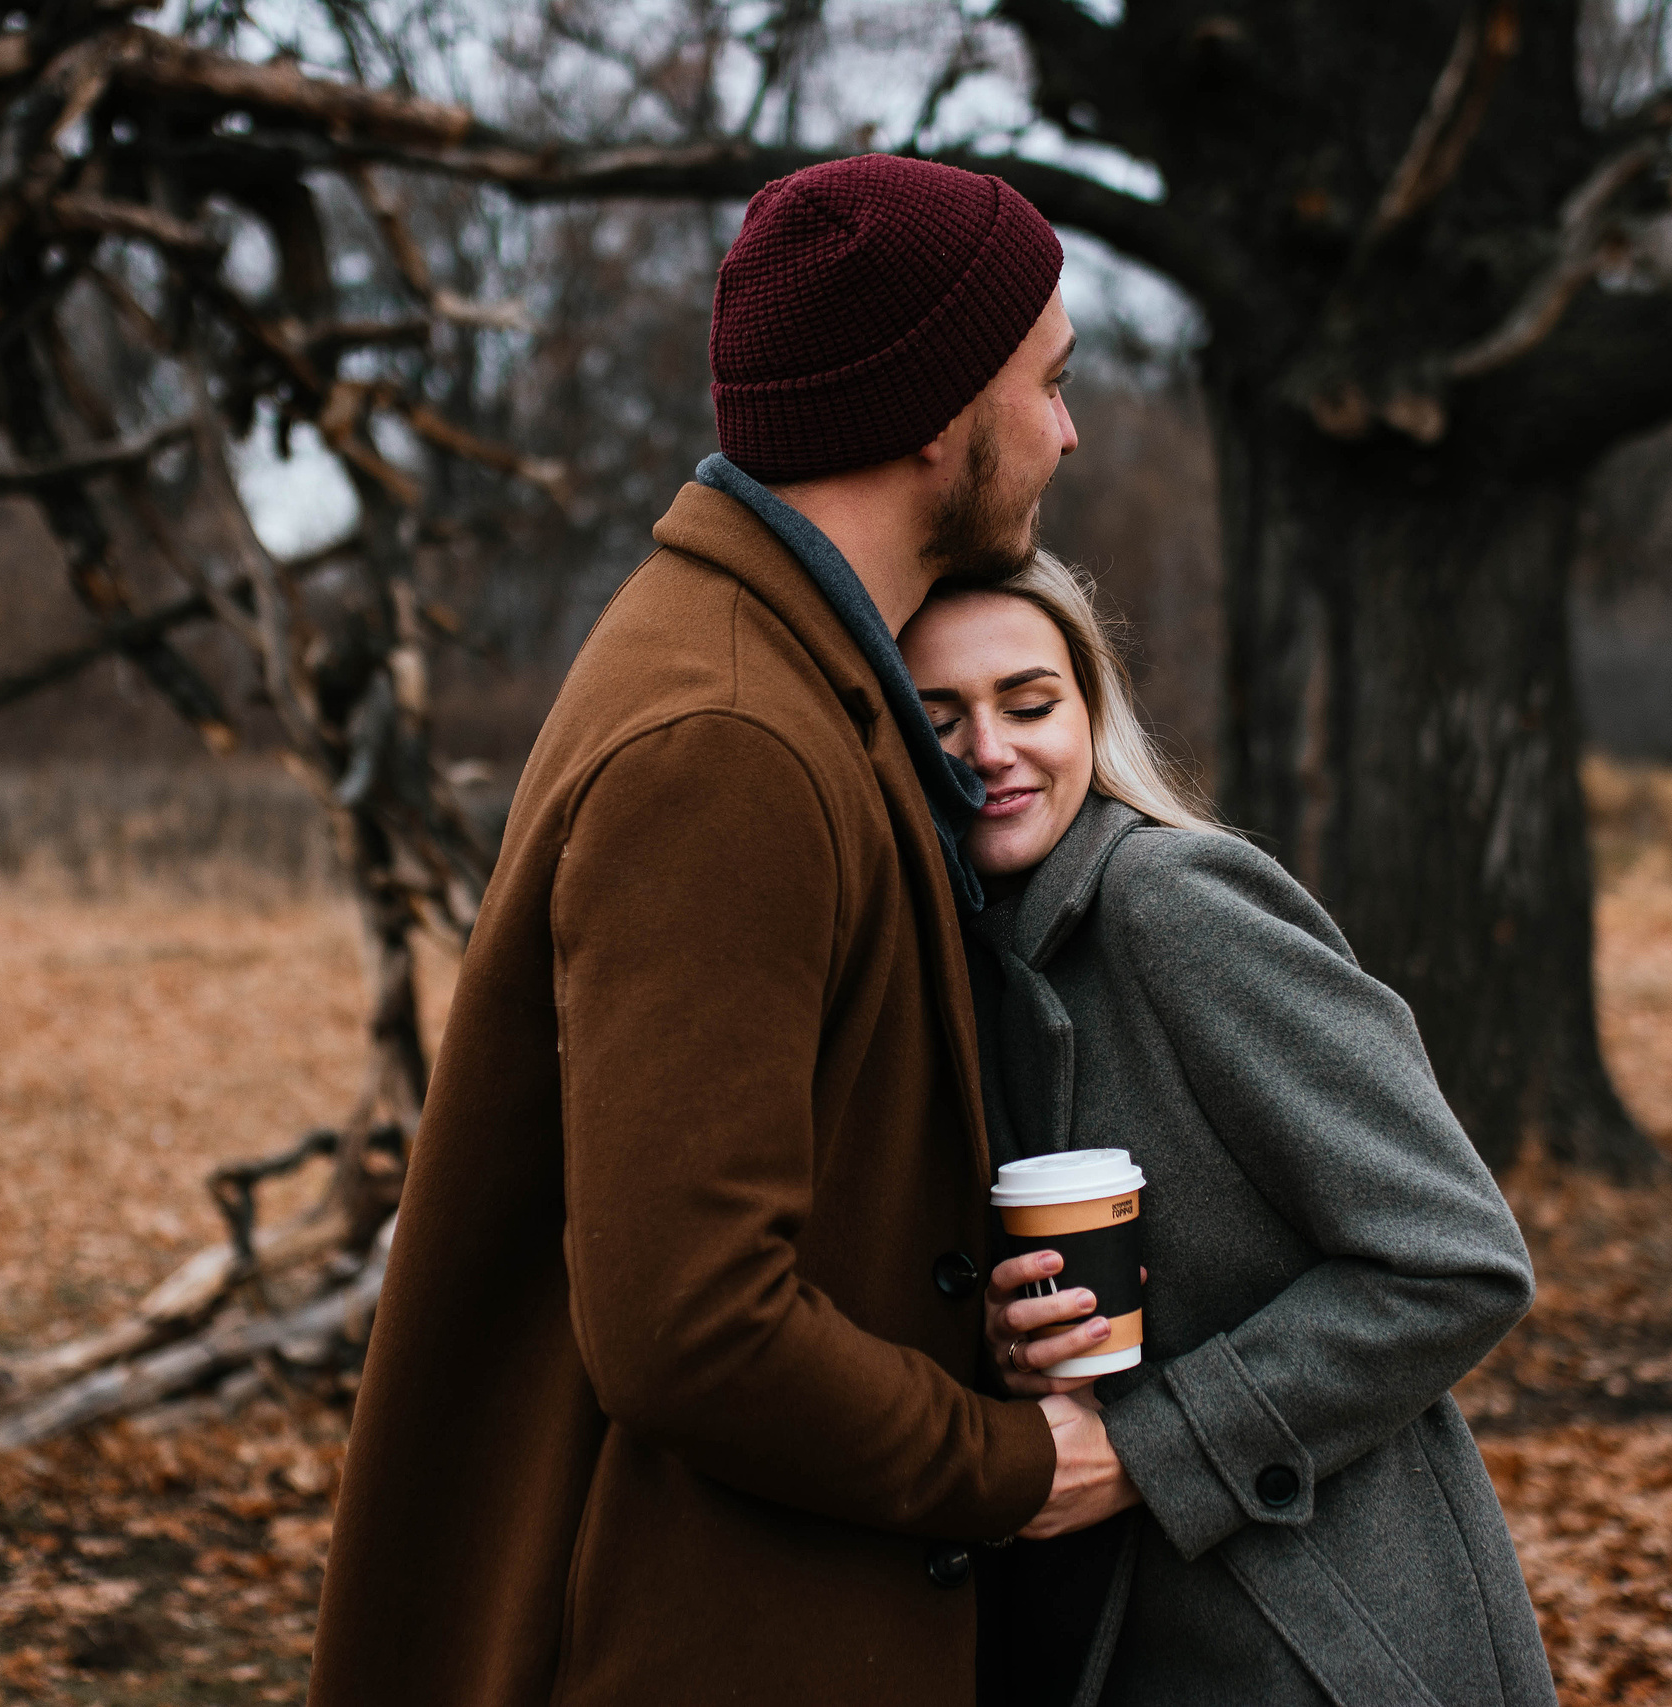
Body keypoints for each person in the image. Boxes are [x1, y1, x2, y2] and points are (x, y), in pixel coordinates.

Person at [309, 155, 1102, 1707]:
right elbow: (692, 1323)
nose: (1068, 430)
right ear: (941, 408)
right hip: (680, 1637)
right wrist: (1014, 1459)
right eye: (1052, 383)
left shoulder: (780, 667)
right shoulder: (729, 741)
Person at [898, 554, 1557, 1707]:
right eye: (938, 716)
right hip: (1114, 1636)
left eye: (1028, 704)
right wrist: (1013, 1344)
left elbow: (1457, 1259)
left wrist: (1154, 1449)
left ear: (1092, 716)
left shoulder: (1175, 904)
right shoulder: (958, 960)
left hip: (1319, 1638)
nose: (988, 751)